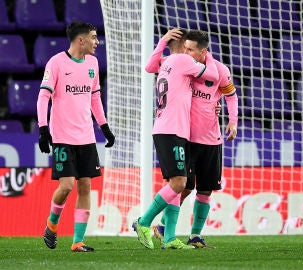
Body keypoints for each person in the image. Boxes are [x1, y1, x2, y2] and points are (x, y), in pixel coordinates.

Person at [132, 28, 219, 250]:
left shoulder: (167, 62)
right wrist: (205, 53)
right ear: (182, 47)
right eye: (188, 47)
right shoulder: (182, 60)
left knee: (175, 185)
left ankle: (169, 237)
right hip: (171, 129)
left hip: (172, 129)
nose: (190, 51)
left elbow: (149, 66)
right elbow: (213, 75)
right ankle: (143, 222)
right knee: (179, 183)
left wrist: (162, 42)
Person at [151, 29, 238, 248]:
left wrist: (233, 120)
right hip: (186, 137)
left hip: (211, 139)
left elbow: (231, 95)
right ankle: (164, 227)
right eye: (184, 48)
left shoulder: (219, 70)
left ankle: (195, 235)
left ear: (203, 52)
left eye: (190, 49)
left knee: (206, 189)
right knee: (183, 187)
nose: (186, 52)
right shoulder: (181, 65)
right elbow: (153, 66)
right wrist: (163, 43)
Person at [37, 21, 115, 252]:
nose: (96, 41)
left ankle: (78, 241)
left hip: (86, 136)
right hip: (62, 136)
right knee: (67, 185)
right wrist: (43, 129)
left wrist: (104, 126)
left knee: (84, 186)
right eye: (93, 37)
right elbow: (43, 97)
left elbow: (94, 98)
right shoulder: (56, 63)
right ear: (80, 40)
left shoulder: (92, 63)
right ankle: (52, 224)